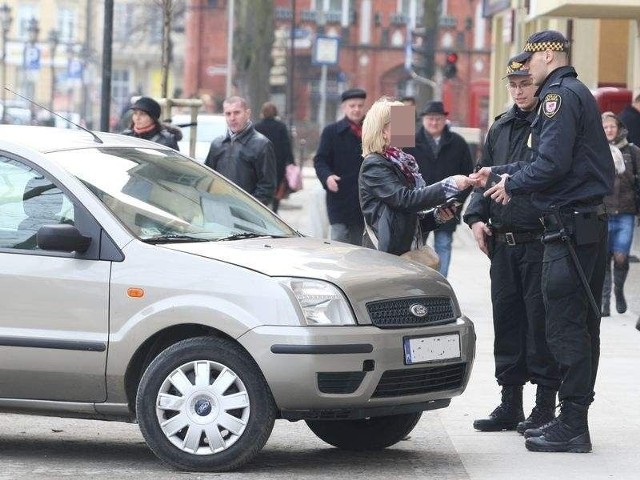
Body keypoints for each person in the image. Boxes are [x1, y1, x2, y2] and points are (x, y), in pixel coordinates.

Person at [472, 30, 615, 453]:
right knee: (566, 324)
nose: (527, 72)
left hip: (570, 228)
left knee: (566, 327)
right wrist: (498, 173)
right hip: (576, 224)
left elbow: (550, 163)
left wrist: (512, 182)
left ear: (548, 55)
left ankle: (571, 423)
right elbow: (545, 160)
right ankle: (569, 419)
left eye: (530, 63)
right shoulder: (569, 93)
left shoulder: (558, 96)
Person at [464, 55, 560, 434]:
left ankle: (543, 407)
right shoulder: (500, 126)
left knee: (540, 325)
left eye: (525, 83)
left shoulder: (550, 123)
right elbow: (482, 174)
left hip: (538, 239)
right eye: (513, 84)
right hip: (503, 244)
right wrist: (474, 218)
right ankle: (510, 403)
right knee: (507, 323)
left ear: (536, 83)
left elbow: (550, 174)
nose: (519, 90)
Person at [359, 98, 472, 255]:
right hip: (385, 256)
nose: (409, 128)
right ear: (383, 131)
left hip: (404, 251)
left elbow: (409, 220)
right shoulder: (374, 164)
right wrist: (449, 185)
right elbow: (405, 200)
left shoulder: (403, 163)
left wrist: (437, 216)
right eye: (401, 123)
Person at [405, 101, 474, 276]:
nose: (434, 123)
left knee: (443, 245)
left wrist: (457, 201)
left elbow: (468, 174)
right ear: (423, 120)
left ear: (445, 120)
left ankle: (440, 283)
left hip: (447, 207)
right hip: (419, 205)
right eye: (430, 119)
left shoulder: (458, 143)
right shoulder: (409, 140)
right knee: (418, 248)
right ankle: (421, 284)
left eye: (438, 119)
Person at [314, 88, 368, 245]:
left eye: (360, 105)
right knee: (339, 242)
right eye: (352, 106)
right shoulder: (331, 132)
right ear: (344, 108)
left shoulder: (372, 132)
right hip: (339, 196)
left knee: (360, 246)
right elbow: (320, 160)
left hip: (364, 199)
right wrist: (327, 177)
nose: (356, 109)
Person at [600, 111, 640, 316]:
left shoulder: (633, 151)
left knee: (621, 257)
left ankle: (619, 290)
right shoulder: (595, 151)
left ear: (619, 128)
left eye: (612, 126)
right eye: (605, 127)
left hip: (626, 211)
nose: (609, 130)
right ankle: (605, 302)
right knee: (603, 257)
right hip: (603, 212)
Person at [205, 96, 277, 206]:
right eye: (228, 114)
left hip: (246, 215)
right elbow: (207, 178)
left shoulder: (261, 145)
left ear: (247, 114)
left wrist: (249, 209)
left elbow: (267, 186)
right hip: (218, 210)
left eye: (237, 113)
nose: (232, 118)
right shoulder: (217, 144)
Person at [254, 102, 295, 213]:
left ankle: (263, 207)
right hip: (278, 162)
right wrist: (291, 162)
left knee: (262, 184)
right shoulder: (281, 127)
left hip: (261, 162)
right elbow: (286, 145)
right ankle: (275, 209)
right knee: (277, 187)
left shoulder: (257, 127)